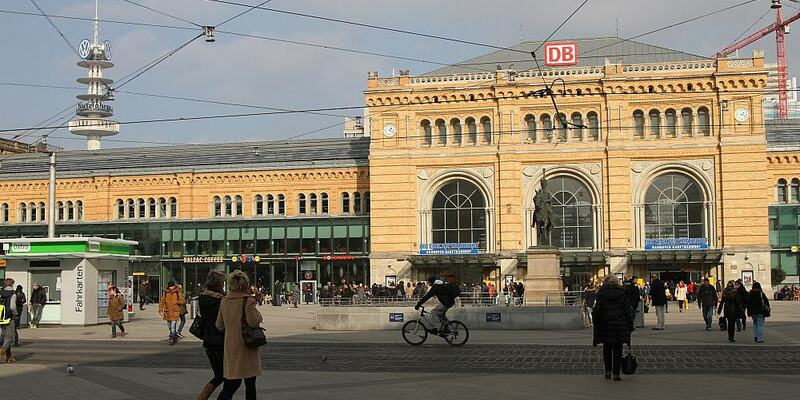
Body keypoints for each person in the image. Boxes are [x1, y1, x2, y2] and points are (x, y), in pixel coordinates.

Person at [216, 270, 263, 400]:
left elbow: (219, 325)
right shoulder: (248, 300)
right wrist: (259, 315)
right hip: (247, 346)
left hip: (231, 347)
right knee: (250, 384)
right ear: (245, 284)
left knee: (231, 384)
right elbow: (253, 322)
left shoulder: (224, 301)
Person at [592, 275, 633, 382]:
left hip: (606, 325)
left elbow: (597, 310)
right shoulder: (622, 293)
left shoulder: (601, 293)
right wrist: (630, 325)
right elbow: (627, 310)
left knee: (607, 350)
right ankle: (616, 374)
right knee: (618, 350)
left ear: (606, 282)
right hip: (619, 325)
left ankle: (607, 371)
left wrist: (596, 322)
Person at [196, 271, 226, 400]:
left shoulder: (202, 298)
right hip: (221, 340)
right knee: (226, 376)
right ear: (219, 284)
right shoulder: (221, 300)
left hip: (208, 340)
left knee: (219, 375)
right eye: (222, 282)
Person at [159, 281, 185, 345]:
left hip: (174, 312)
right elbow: (162, 302)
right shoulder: (166, 293)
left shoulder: (177, 292)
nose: (171, 288)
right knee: (170, 327)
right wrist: (160, 310)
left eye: (172, 286)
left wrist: (177, 302)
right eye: (170, 286)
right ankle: (174, 336)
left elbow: (182, 301)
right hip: (167, 312)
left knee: (173, 326)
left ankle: (172, 338)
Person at [0, 278, 18, 363]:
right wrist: (15, 314)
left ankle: (9, 357)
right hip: (9, 318)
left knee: (5, 336)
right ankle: (1, 351)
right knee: (10, 337)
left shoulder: (1, 292)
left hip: (1, 318)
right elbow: (12, 307)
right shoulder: (13, 294)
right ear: (12, 284)